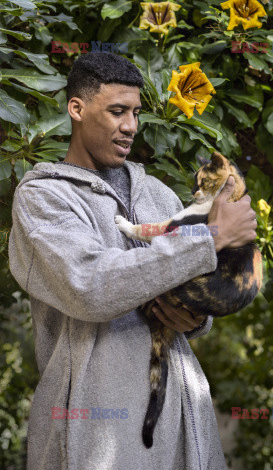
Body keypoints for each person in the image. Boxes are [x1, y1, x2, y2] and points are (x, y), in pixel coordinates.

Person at [8, 52, 257, 470]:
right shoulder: (43, 197)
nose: (130, 126)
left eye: (136, 113)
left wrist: (195, 318)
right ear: (77, 109)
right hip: (91, 425)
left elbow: (196, 287)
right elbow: (89, 286)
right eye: (117, 111)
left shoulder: (158, 194)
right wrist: (212, 238)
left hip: (179, 416)